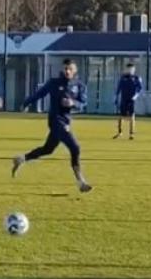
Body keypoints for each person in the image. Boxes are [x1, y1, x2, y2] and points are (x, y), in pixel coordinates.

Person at [11, 59, 92, 193]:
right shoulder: (54, 83)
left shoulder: (79, 85)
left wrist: (73, 103)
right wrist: (26, 103)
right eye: (65, 68)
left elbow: (83, 103)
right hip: (55, 121)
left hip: (66, 121)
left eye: (70, 69)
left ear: (75, 70)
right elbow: (39, 94)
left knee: (47, 149)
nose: (67, 71)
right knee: (75, 147)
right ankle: (81, 182)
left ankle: (21, 158)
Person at [113, 63, 144, 140]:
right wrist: (116, 97)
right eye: (128, 69)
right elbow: (118, 88)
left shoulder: (137, 78)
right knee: (120, 116)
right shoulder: (123, 78)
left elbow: (140, 89)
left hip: (131, 99)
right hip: (124, 99)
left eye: (131, 69)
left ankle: (131, 133)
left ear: (134, 70)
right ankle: (120, 132)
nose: (130, 70)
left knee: (132, 116)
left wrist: (136, 96)